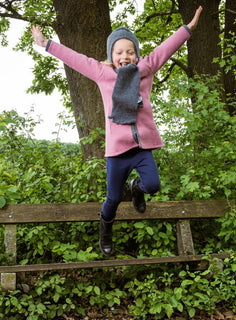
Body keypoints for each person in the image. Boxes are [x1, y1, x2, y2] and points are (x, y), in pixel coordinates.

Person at [31, 6, 202, 256]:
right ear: (112, 55)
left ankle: (136, 188)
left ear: (136, 54)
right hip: (117, 151)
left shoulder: (147, 69)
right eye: (119, 52)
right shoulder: (103, 73)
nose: (125, 56)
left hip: (141, 148)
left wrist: (188, 28)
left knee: (152, 184)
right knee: (112, 199)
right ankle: (106, 228)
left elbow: (166, 48)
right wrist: (47, 44)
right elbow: (76, 58)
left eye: (130, 51)